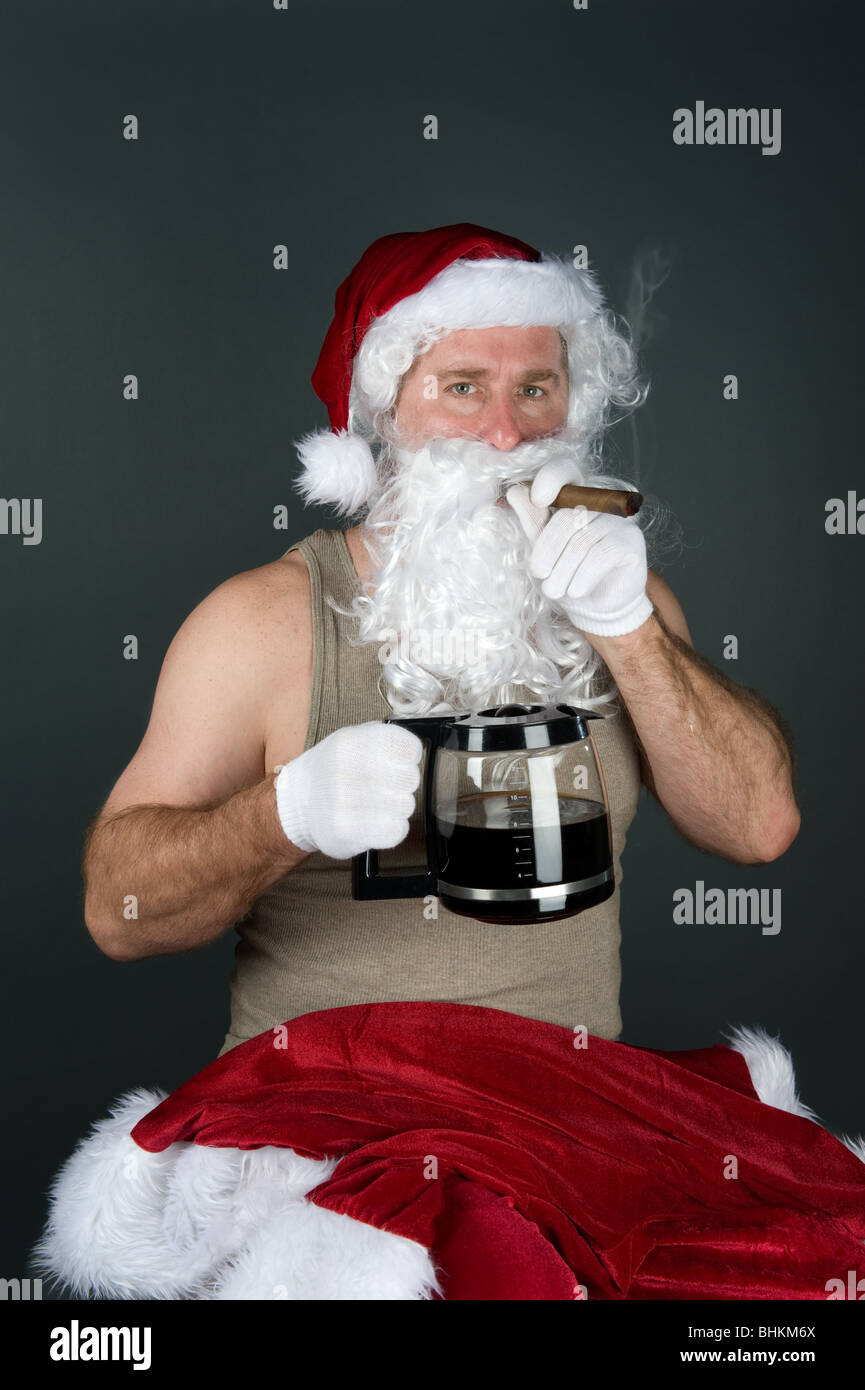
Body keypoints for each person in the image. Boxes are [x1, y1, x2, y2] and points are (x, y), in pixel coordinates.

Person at [80, 223, 800, 1060]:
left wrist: (627, 626)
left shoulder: (624, 595)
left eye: (536, 389)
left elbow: (758, 828)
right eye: (462, 388)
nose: (504, 434)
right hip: (323, 1123)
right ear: (383, 411)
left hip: (569, 1118)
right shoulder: (261, 623)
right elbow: (117, 914)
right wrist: (285, 815)